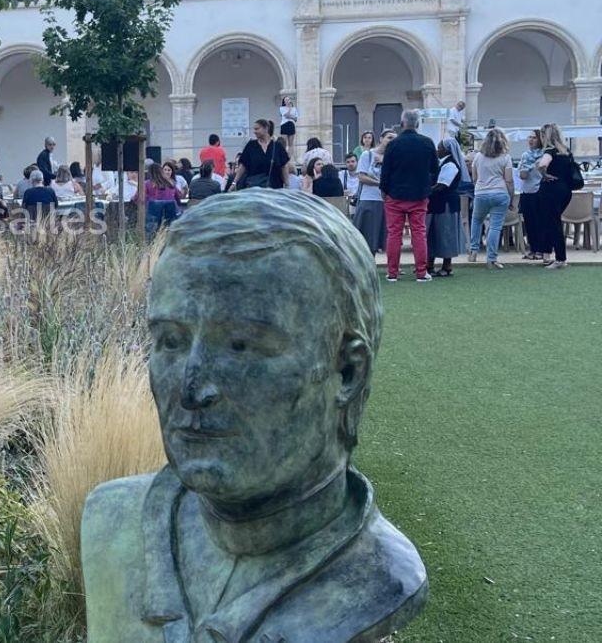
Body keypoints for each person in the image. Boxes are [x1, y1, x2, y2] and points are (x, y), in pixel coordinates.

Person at [81, 191, 427, 643]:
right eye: (171, 341)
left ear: (347, 370)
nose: (191, 390)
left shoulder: (381, 579)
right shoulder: (112, 520)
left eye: (242, 346)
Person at [379, 110, 439, 283]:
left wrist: (384, 190)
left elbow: (386, 171)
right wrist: (427, 185)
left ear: (402, 123)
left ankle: (392, 273)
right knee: (419, 233)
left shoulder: (393, 144)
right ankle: (421, 273)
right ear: (418, 124)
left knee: (394, 234)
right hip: (419, 195)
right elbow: (435, 169)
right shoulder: (427, 143)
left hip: (394, 195)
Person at [467, 127, 514, 269]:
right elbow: (509, 181)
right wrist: (510, 198)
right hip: (500, 193)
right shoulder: (506, 158)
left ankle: (473, 251)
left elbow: (474, 178)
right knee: (495, 226)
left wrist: (480, 188)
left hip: (481, 193)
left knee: (476, 221)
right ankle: (491, 258)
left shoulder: (478, 158)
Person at [535, 122, 577, 270]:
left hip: (551, 190)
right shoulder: (566, 152)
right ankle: (553, 254)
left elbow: (542, 165)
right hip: (565, 191)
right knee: (555, 221)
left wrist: (544, 174)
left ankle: (560, 258)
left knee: (553, 223)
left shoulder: (550, 151)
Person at [426, 138, 466, 278]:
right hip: (437, 204)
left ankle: (446, 266)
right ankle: (429, 264)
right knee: (433, 233)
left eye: (439, 148)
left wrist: (424, 192)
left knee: (445, 233)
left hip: (446, 204)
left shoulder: (450, 165)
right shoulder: (442, 164)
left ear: (447, 150)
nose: (437, 150)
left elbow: (442, 185)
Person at [352, 129, 394, 254]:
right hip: (369, 199)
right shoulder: (367, 155)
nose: (391, 141)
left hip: (386, 201)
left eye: (394, 139)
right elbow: (361, 177)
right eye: (389, 137)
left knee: (379, 238)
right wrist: (380, 184)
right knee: (366, 237)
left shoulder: (390, 158)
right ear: (381, 139)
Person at [230, 119, 289, 190]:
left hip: (274, 188)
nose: (254, 132)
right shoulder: (251, 146)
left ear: (266, 129)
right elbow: (243, 165)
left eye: (257, 129)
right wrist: (234, 182)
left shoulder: (277, 146)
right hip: (255, 189)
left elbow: (284, 166)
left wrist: (287, 184)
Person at [518, 129, 546, 261]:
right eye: (529, 137)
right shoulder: (525, 155)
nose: (531, 140)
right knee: (528, 222)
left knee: (540, 222)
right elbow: (522, 175)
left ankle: (541, 249)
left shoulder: (544, 155)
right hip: (526, 191)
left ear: (540, 140)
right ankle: (532, 248)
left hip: (539, 191)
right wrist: (527, 167)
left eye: (534, 137)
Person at [144, 162, 180, 236]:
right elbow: (178, 197)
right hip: (170, 213)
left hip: (153, 212)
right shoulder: (171, 183)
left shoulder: (147, 184)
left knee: (152, 233)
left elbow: (139, 197)